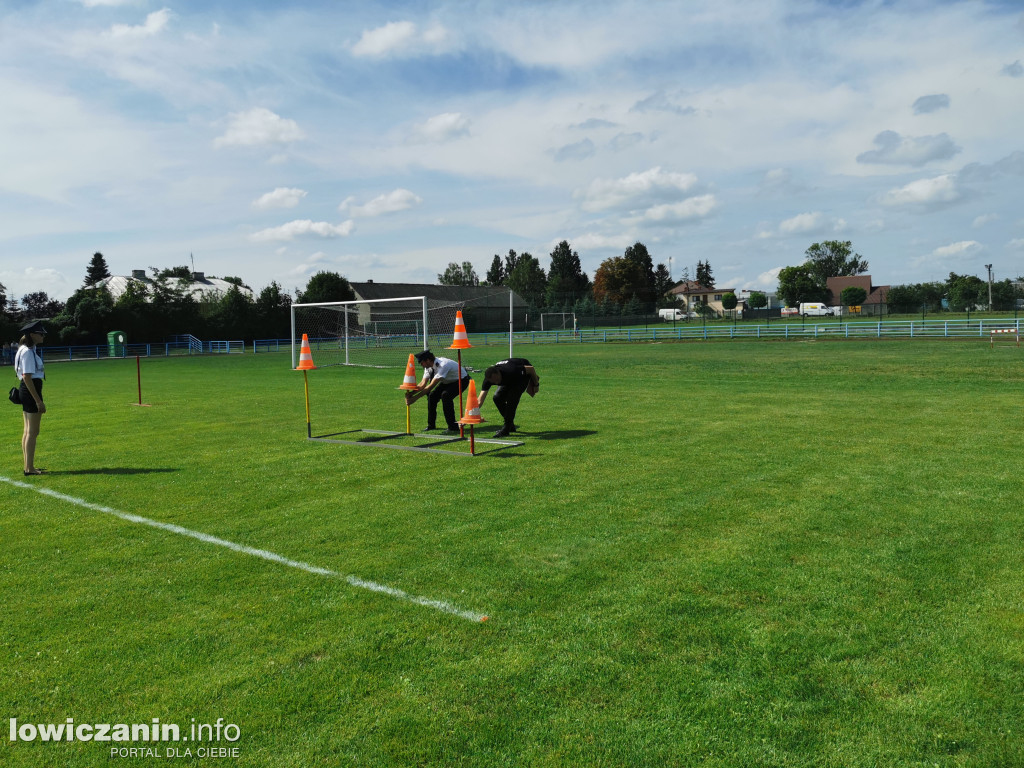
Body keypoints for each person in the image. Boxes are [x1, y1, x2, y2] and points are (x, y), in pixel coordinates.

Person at [404, 349, 471, 433]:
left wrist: (414, 399)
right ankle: (431, 426)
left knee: (446, 395)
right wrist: (411, 393)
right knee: (432, 397)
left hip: (461, 380)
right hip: (447, 381)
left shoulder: (442, 365)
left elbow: (430, 387)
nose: (421, 365)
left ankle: (453, 427)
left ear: (428, 360)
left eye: (422, 363)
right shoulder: (428, 367)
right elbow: (422, 384)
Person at [15, 321, 48, 476]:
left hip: (27, 389)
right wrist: (38, 401)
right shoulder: (27, 351)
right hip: (30, 389)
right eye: (41, 333)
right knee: (33, 432)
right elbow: (27, 377)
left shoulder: (26, 349)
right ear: (33, 335)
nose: (43, 336)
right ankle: (29, 468)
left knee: (28, 431)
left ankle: (28, 465)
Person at [478, 358, 540, 438]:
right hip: (509, 377)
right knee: (497, 398)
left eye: (497, 380)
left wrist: (536, 385)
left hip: (521, 376)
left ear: (499, 373)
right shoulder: (488, 380)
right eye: (494, 382)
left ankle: (506, 429)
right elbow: (480, 400)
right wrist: (470, 415)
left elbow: (531, 369)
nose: (496, 383)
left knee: (512, 399)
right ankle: (510, 426)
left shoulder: (512, 370)